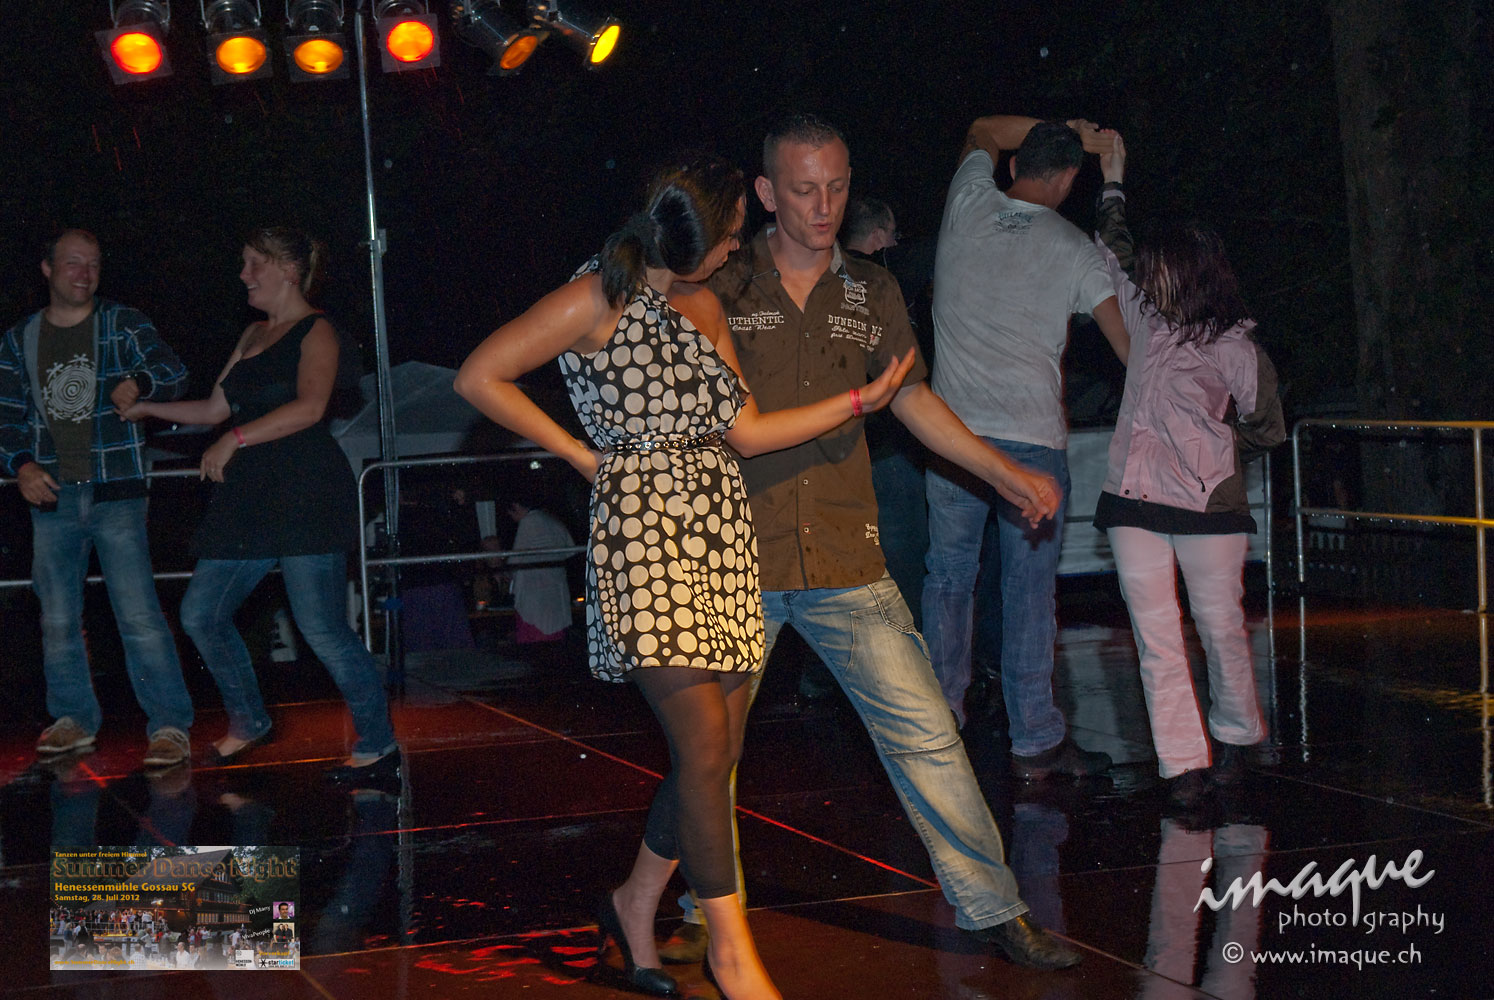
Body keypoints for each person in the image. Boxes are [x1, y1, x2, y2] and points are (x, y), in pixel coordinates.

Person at [455, 152, 914, 1000]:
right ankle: (732, 954)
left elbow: (750, 432)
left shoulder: (703, 305)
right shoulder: (593, 296)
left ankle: (633, 904)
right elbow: (479, 375)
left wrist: (858, 402)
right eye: (732, 233)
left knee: (719, 750)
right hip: (642, 535)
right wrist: (579, 455)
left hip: (719, 533)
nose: (739, 246)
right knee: (703, 744)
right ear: (688, 234)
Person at [674, 112, 1081, 972]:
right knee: (711, 752)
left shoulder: (873, 292)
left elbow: (914, 399)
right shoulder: (720, 287)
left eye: (836, 187)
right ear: (765, 193)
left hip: (844, 557)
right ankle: (696, 910)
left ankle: (996, 909)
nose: (824, 206)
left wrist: (1007, 473)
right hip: (735, 560)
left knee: (929, 733)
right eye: (803, 190)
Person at [121, 227, 397, 778]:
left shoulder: (318, 330)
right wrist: (147, 408)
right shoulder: (252, 334)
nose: (244, 275)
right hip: (249, 496)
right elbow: (213, 410)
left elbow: (311, 407)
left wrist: (236, 438)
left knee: (321, 627)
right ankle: (249, 720)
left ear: (288, 271)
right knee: (201, 613)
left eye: (254, 264)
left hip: (304, 491)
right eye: (244, 263)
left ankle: (378, 742)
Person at [922, 115, 1130, 779]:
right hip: (1032, 445)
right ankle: (1034, 740)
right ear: (1068, 181)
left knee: (949, 578)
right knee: (1028, 593)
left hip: (952, 438)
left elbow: (982, 126)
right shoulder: (1074, 248)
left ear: (1013, 167)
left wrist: (1070, 130)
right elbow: (1128, 346)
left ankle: (939, 726)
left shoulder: (967, 202)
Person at [1091, 135, 1285, 806]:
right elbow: (1110, 249)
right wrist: (1113, 181)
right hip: (1132, 500)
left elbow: (1266, 426)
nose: (1148, 281)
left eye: (1160, 271)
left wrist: (1217, 458)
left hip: (1209, 508)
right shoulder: (1145, 320)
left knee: (1220, 625)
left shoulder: (1237, 347)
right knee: (1156, 635)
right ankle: (1182, 766)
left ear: (1192, 272)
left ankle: (1236, 735)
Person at [0, 229, 195, 767]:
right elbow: (6, 417)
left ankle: (170, 725)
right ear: (47, 269)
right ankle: (73, 718)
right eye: (73, 263)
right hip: (52, 497)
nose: (84, 274)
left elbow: (174, 372)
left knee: (138, 614)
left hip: (118, 493)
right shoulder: (19, 339)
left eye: (93, 264)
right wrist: (21, 465)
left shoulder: (121, 322)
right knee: (57, 617)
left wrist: (142, 383)